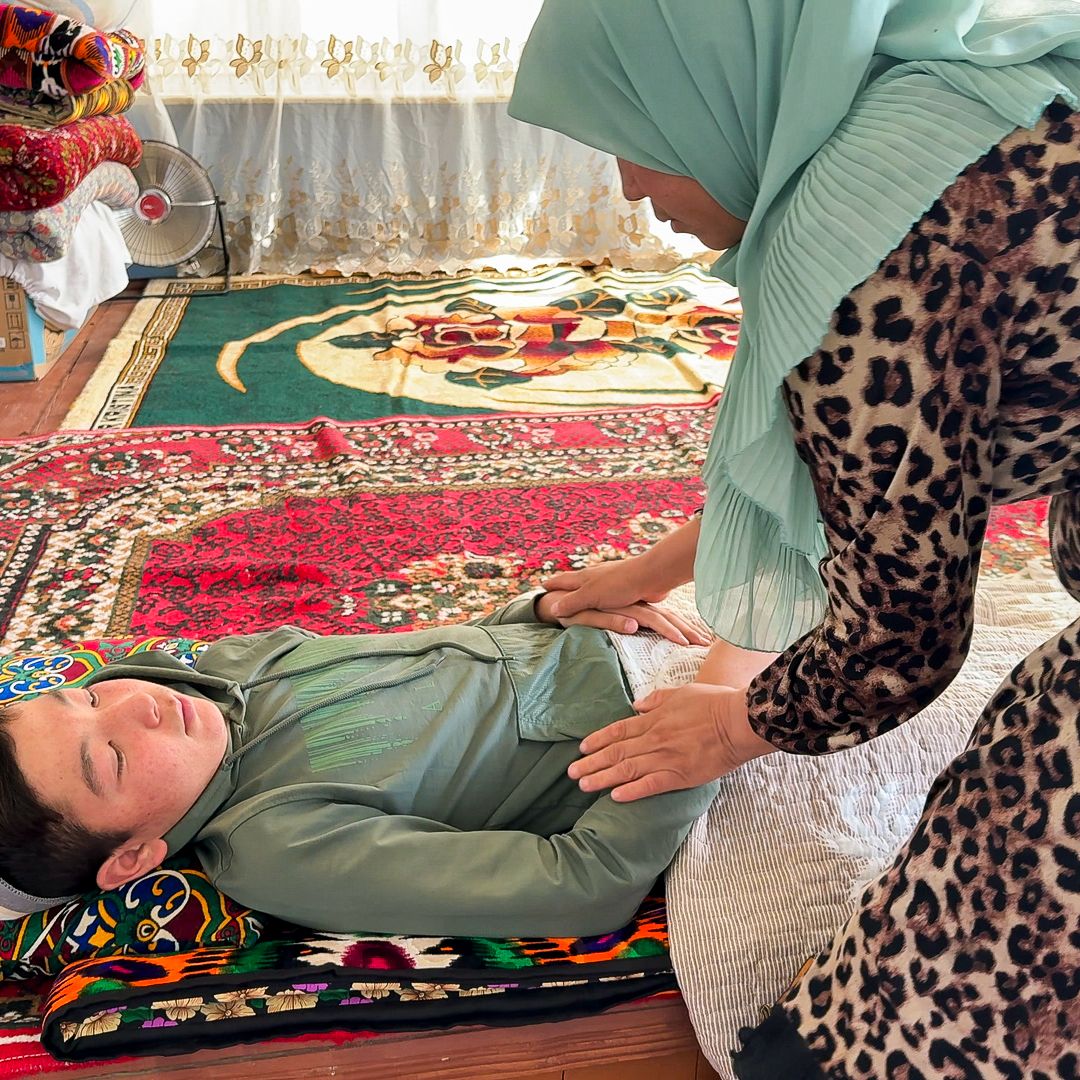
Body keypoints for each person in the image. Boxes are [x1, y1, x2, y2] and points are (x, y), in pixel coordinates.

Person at [508, 2, 1080, 1077]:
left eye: (634, 135)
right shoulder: (948, 95)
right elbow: (874, 478)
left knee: (908, 1022)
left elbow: (900, 637)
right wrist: (646, 571)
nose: (629, 187)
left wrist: (736, 727)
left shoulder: (865, 240)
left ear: (710, 85)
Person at [0, 591, 719, 938]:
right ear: (133, 858)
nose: (137, 704)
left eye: (86, 696)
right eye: (113, 757)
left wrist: (546, 608)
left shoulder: (227, 668)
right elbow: (581, 887)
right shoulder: (280, 847)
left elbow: (448, 657)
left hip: (652, 634)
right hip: (688, 729)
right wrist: (698, 737)